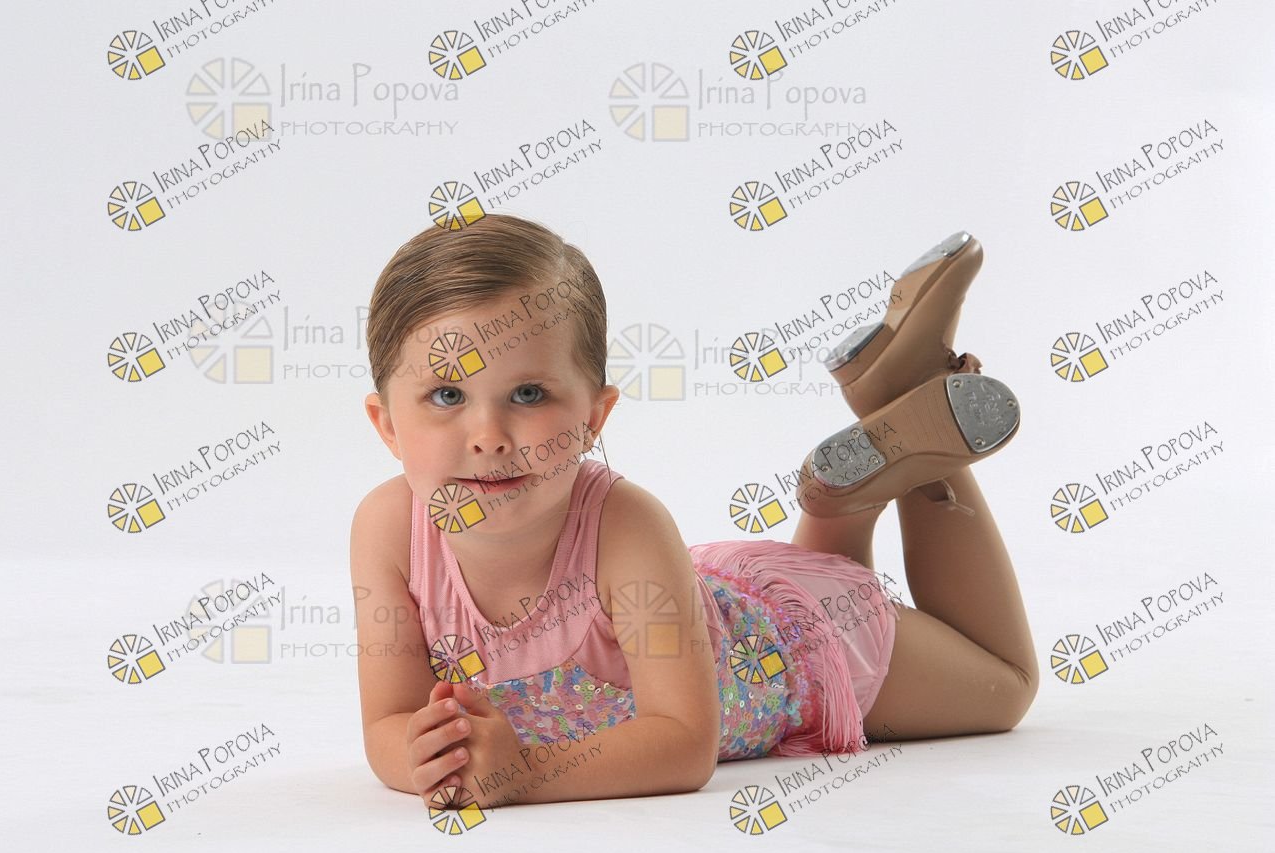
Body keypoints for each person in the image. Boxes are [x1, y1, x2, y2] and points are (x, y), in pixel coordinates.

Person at [350, 214, 1039, 810]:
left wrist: (524, 774)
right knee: (840, 580)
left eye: (528, 394)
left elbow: (685, 744)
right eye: (447, 396)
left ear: (594, 418)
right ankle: (846, 493)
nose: (489, 435)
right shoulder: (388, 530)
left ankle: (922, 401)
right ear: (386, 426)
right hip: (725, 598)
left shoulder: (625, 524)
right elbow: (388, 721)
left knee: (1006, 687)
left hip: (798, 653)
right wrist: (425, 758)